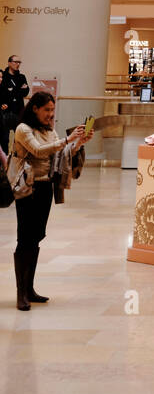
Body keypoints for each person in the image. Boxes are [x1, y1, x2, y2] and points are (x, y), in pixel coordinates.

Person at [11, 91, 94, 309]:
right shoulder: (23, 129)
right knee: (25, 238)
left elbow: (60, 154)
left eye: (52, 110)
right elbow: (38, 151)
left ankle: (30, 289)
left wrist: (77, 143)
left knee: (36, 237)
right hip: (27, 189)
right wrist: (68, 139)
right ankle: (21, 293)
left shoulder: (49, 130)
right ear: (35, 108)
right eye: (46, 110)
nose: (50, 114)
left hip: (45, 187)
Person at [0, 55, 29, 153]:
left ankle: (17, 158)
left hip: (19, 111)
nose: (18, 64)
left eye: (19, 62)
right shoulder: (3, 76)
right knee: (4, 139)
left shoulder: (21, 77)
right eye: (15, 62)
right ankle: (4, 164)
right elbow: (3, 93)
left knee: (19, 138)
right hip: (6, 111)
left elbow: (26, 92)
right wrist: (18, 90)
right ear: (9, 63)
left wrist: (11, 90)